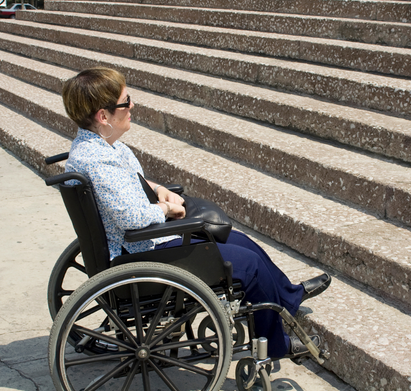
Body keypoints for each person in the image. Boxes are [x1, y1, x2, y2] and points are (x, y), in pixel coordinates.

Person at [62, 66, 330, 358]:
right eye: (126, 102)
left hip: (140, 243)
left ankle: (288, 298)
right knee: (248, 265)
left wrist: (158, 188)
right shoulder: (99, 162)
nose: (132, 106)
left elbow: (126, 187)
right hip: (141, 250)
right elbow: (132, 218)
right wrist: (166, 208)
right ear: (103, 116)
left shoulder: (101, 148)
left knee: (239, 240)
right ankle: (276, 346)